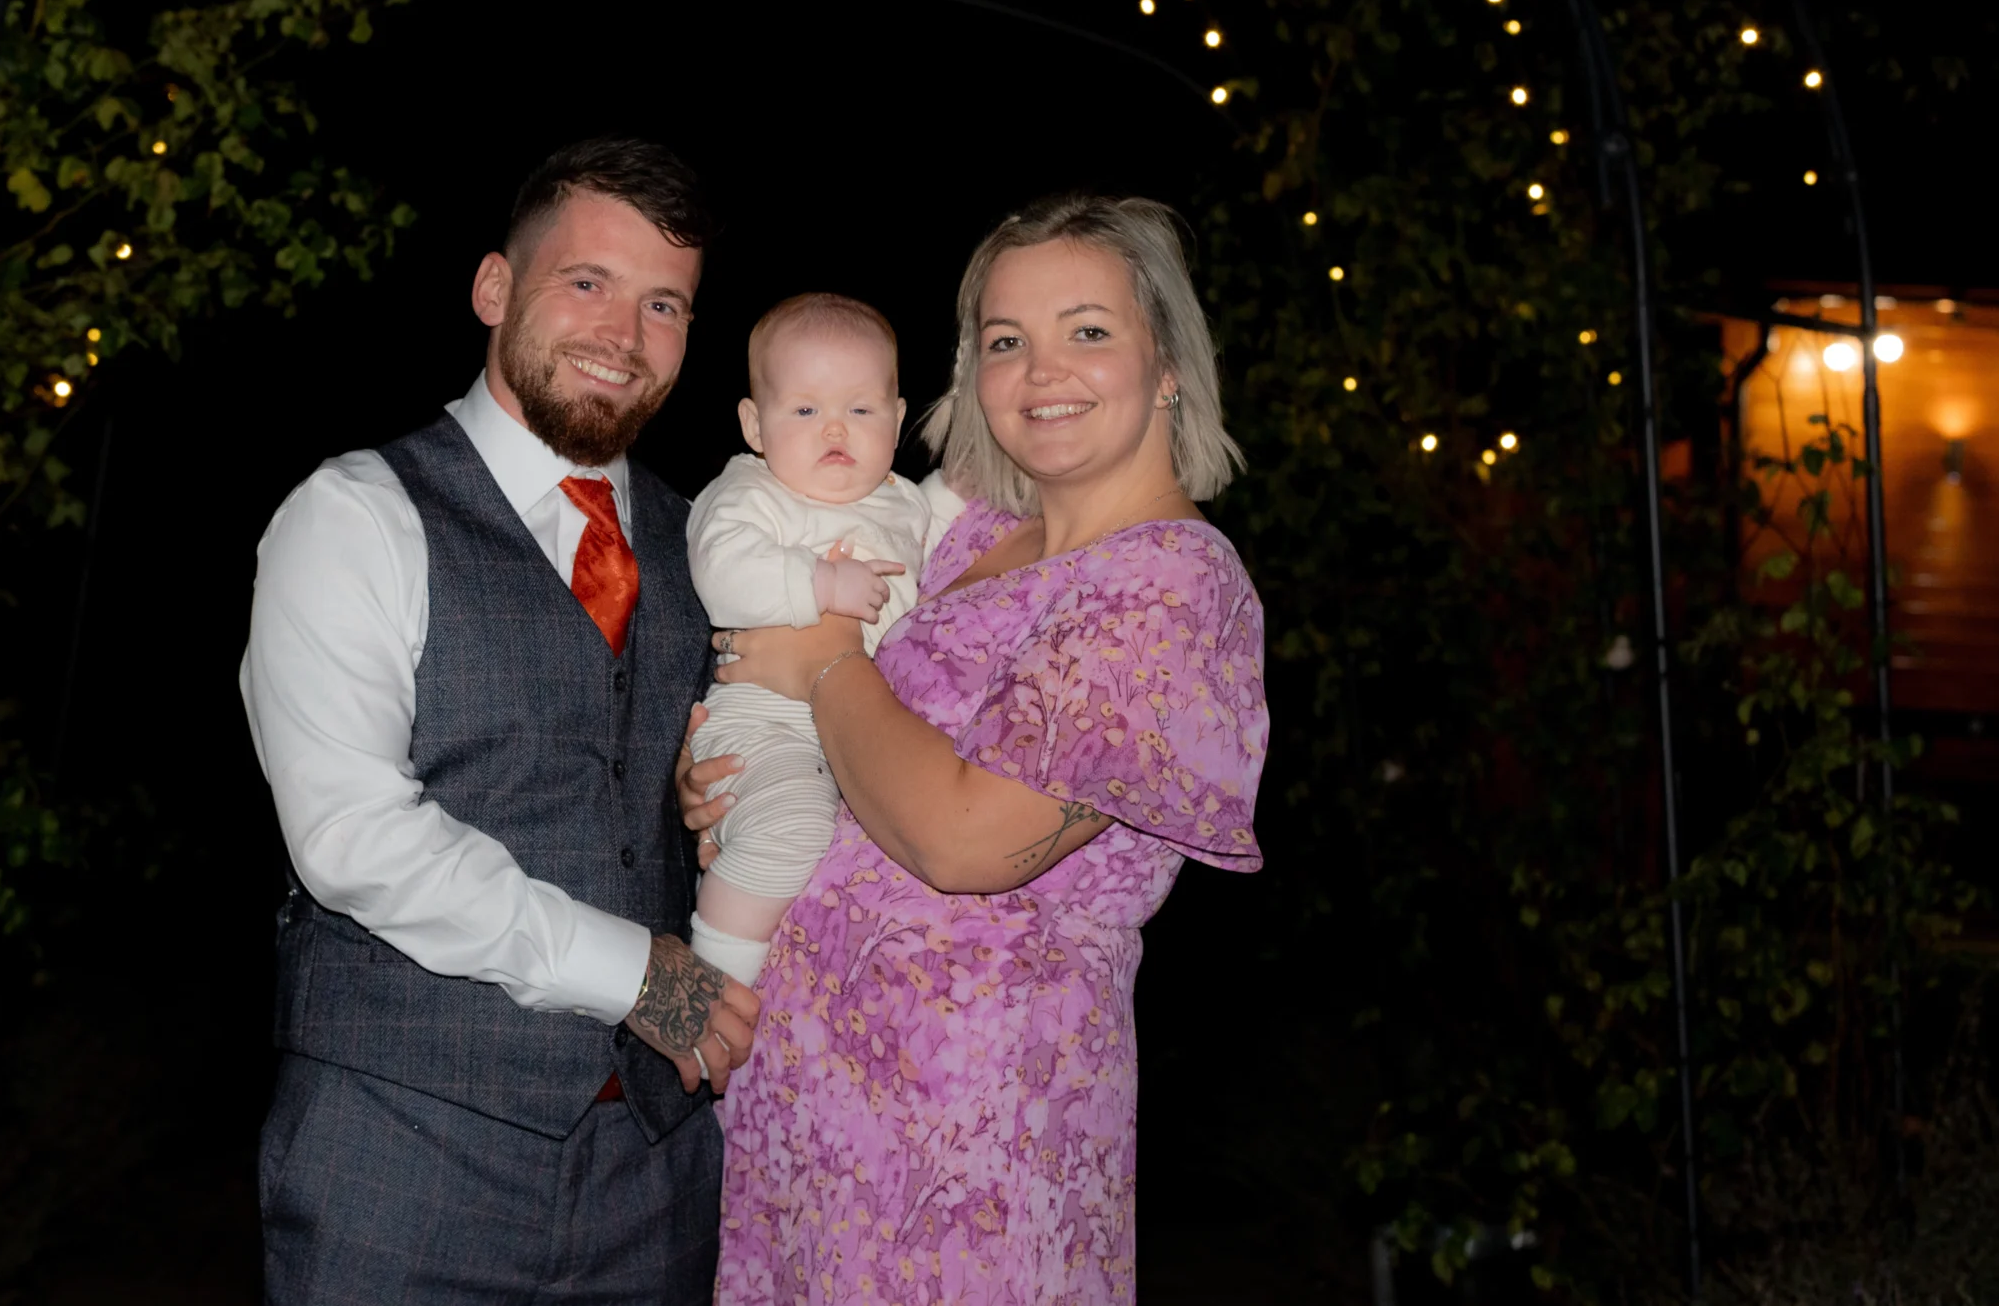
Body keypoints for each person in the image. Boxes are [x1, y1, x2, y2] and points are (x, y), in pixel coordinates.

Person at [687, 193, 1271, 1304]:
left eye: (1087, 330)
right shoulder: (966, 542)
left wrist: (817, 661)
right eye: (1006, 341)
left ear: (1167, 364)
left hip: (966, 1154)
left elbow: (963, 840)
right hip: (804, 1120)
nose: (1042, 369)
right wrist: (727, 750)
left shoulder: (1172, 586)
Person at [241, 138, 760, 1305]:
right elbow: (353, 840)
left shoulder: (715, 546)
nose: (623, 336)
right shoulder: (358, 515)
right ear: (493, 289)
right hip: (403, 1156)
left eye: (663, 302)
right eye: (588, 283)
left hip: (659, 1177)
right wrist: (646, 978)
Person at [680, 294, 942, 988]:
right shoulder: (751, 491)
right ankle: (715, 992)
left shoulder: (908, 501)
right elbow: (720, 568)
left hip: (858, 738)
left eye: (861, 409)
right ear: (754, 424)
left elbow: (972, 506)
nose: (835, 428)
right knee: (791, 827)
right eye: (804, 410)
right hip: (764, 720)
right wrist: (820, 586)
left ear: (896, 418)